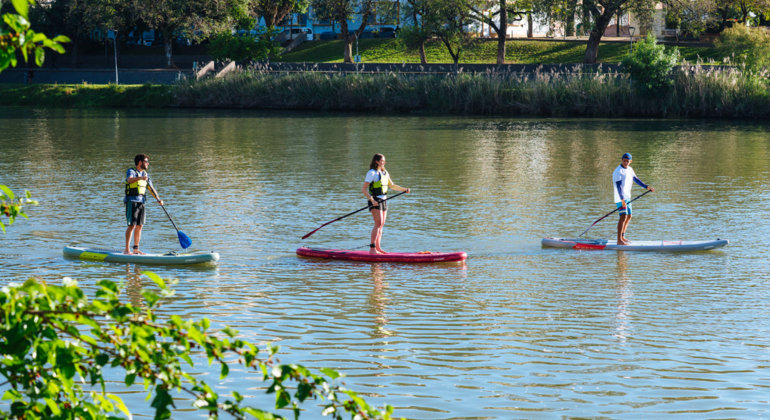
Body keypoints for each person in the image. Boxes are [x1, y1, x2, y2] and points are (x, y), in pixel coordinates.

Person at [362, 154, 410, 254]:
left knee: (382, 224)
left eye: (384, 161)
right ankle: (372, 249)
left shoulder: (384, 172)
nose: (384, 162)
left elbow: (392, 186)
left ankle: (378, 248)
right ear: (376, 161)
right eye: (382, 161)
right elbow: (364, 189)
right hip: (375, 200)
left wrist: (404, 189)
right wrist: (372, 200)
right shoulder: (372, 173)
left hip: (384, 200)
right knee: (378, 224)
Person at [124, 154, 163, 254]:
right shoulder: (132, 171)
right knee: (131, 225)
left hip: (141, 202)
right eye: (146, 161)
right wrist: (141, 178)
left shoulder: (146, 175)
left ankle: (136, 249)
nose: (148, 163)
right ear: (140, 162)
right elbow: (129, 180)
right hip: (132, 201)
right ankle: (127, 250)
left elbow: (151, 188)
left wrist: (158, 199)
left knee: (139, 225)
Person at [613, 153, 654, 245]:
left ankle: (622, 236)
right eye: (624, 160)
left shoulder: (630, 170)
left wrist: (647, 187)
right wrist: (622, 199)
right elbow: (619, 186)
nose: (625, 163)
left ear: (630, 162)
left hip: (627, 197)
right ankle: (619, 240)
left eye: (627, 161)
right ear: (621, 160)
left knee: (629, 216)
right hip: (620, 198)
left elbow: (636, 179)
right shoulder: (618, 171)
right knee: (623, 217)